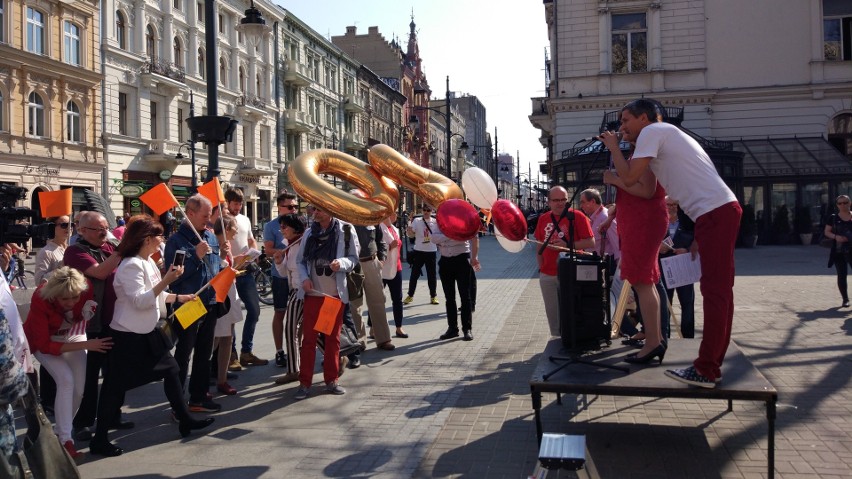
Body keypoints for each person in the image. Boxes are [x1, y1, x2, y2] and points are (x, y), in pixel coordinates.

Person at [600, 98, 742, 388]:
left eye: (626, 120)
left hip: (714, 212)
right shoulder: (663, 136)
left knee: (715, 292)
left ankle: (705, 369)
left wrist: (614, 150)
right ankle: (711, 365)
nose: (622, 127)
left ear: (645, 118)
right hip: (717, 212)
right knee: (720, 291)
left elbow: (630, 177)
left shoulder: (654, 131)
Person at [89, 215, 213, 456]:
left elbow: (157, 295)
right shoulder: (131, 264)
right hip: (128, 336)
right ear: (147, 239)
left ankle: (185, 418)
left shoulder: (146, 261)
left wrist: (178, 297)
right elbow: (139, 301)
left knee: (172, 370)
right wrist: (167, 279)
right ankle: (99, 439)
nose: (162, 240)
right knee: (114, 387)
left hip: (145, 332)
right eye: (159, 236)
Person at [23, 267, 113, 458]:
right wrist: (88, 344)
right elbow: (44, 344)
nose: (71, 302)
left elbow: (86, 308)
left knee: (79, 390)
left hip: (74, 335)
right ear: (54, 294)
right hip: (47, 340)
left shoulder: (84, 286)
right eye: (65, 299)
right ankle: (66, 440)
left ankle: (60, 432)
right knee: (65, 380)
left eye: (75, 297)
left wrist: (87, 313)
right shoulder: (41, 297)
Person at [63, 211, 130, 441]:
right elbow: (100, 273)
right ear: (82, 230)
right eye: (98, 228)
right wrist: (121, 250)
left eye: (105, 227)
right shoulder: (75, 251)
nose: (104, 232)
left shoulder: (109, 249)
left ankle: (112, 414)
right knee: (88, 377)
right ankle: (82, 422)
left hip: (112, 321)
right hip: (88, 325)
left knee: (116, 373)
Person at [600, 139, 668, 364]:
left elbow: (646, 190)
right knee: (646, 282)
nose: (622, 125)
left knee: (643, 283)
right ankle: (653, 335)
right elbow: (632, 180)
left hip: (643, 224)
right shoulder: (639, 154)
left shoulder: (645, 154)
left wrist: (614, 179)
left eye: (627, 119)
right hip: (639, 223)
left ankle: (653, 343)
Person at [164, 194, 222, 412]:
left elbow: (214, 269)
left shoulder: (210, 236)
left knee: (205, 353)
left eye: (209, 216)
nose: (208, 220)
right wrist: (195, 257)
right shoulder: (176, 241)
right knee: (184, 353)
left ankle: (198, 397)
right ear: (189, 213)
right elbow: (173, 276)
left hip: (209, 301)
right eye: (205, 216)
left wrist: (226, 263)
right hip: (188, 303)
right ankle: (177, 403)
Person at [294, 208, 358, 400]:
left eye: (319, 210)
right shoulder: (309, 233)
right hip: (313, 294)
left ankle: (332, 380)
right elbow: (300, 261)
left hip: (333, 296)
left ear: (330, 210)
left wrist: (342, 263)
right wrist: (304, 278)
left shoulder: (345, 230)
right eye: (313, 209)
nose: (315, 213)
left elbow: (354, 258)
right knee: (309, 341)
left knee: (332, 340)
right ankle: (304, 383)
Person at [534, 187, 595, 337]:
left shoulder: (578, 216)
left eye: (563, 199)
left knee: (572, 309)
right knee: (553, 312)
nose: (560, 203)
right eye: (556, 200)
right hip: (548, 273)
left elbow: (590, 242)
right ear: (548, 202)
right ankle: (556, 339)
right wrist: (541, 267)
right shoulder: (543, 218)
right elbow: (539, 244)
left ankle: (572, 338)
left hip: (571, 272)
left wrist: (567, 245)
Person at [32, 214, 72, 416]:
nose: (67, 228)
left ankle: (59, 395)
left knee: (63, 354)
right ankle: (47, 399)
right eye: (63, 225)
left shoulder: (69, 247)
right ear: (53, 227)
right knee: (50, 352)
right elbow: (39, 280)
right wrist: (60, 267)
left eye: (70, 224)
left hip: (66, 306)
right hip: (50, 307)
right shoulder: (46, 252)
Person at [224, 188, 267, 367]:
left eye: (240, 203)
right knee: (231, 316)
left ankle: (246, 351)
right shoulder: (222, 219)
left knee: (254, 311)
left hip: (246, 271)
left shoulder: (245, 219)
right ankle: (231, 353)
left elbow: (250, 239)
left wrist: (254, 251)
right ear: (227, 202)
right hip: (230, 272)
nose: (239, 207)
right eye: (235, 203)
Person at [349, 192, 394, 351]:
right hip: (353, 265)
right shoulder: (345, 217)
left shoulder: (372, 216)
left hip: (372, 262)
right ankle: (359, 341)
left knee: (378, 301)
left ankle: (383, 339)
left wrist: (381, 260)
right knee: (355, 305)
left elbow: (381, 239)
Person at [264, 192, 298, 368]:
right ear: (280, 207)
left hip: (297, 277)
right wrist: (282, 251)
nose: (294, 210)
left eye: (295, 207)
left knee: (299, 316)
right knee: (280, 312)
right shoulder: (271, 226)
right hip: (280, 275)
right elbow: (268, 249)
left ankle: (297, 350)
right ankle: (279, 351)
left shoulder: (300, 223)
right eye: (290, 207)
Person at [431, 222, 480, 341]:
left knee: (465, 296)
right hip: (445, 261)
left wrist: (474, 258)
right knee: (449, 297)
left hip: (462, 260)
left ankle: (467, 329)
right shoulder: (440, 221)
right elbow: (433, 238)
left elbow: (474, 238)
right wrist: (452, 235)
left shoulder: (463, 220)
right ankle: (452, 328)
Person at [272, 213, 306, 385]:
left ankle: (294, 370)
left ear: (296, 228)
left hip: (303, 292)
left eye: (285, 226)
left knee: (292, 329)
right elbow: (285, 273)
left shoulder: (304, 242)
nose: (282, 230)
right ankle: (340, 353)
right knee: (308, 330)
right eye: (281, 226)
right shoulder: (289, 245)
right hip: (296, 291)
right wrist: (279, 262)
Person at [212, 214, 243, 395]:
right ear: (226, 228)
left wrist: (238, 262)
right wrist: (223, 257)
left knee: (227, 337)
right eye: (234, 227)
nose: (237, 230)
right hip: (220, 297)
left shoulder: (227, 246)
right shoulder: (214, 244)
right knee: (216, 337)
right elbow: (214, 270)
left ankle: (222, 379)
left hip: (230, 293)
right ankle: (205, 376)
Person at [661, 198, 696, 338]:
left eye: (674, 204)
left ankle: (688, 336)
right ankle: (665, 335)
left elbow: (697, 240)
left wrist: (687, 249)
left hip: (684, 267)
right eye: (668, 204)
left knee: (687, 303)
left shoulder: (688, 222)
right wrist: (658, 248)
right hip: (665, 267)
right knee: (665, 304)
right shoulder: (659, 222)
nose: (671, 207)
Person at [404, 205, 439, 306]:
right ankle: (410, 295)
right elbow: (411, 235)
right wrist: (409, 231)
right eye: (424, 210)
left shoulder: (435, 222)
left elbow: (439, 234)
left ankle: (433, 296)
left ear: (431, 211)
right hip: (419, 251)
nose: (426, 212)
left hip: (431, 251)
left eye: (428, 210)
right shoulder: (417, 221)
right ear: (422, 211)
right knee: (414, 275)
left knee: (431, 275)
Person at [380, 212, 407, 338]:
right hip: (382, 270)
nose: (395, 216)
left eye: (396, 213)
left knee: (397, 299)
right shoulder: (379, 228)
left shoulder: (395, 229)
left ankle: (399, 327)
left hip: (397, 267)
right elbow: (375, 249)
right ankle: (374, 327)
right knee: (378, 299)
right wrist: (389, 247)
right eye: (392, 213)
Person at [825, 194, 852, 307]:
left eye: (845, 202)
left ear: (850, 203)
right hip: (839, 249)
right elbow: (827, 232)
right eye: (840, 203)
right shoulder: (833, 217)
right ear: (837, 205)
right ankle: (845, 299)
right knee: (842, 274)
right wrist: (836, 237)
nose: (843, 205)